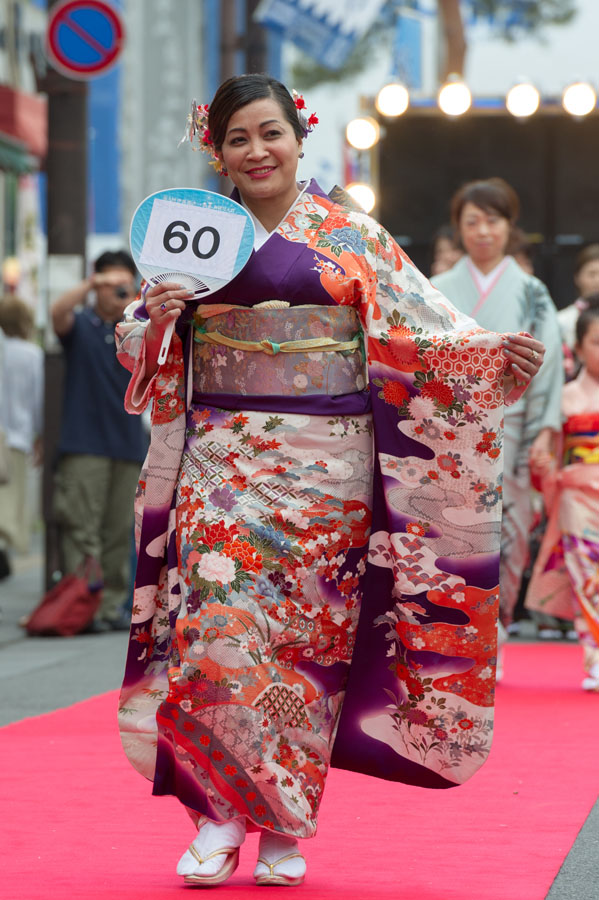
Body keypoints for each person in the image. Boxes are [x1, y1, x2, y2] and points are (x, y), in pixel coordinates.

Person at [115, 75, 545, 888]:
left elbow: (426, 336)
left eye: (269, 133)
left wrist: (488, 360)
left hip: (329, 473)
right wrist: (159, 321)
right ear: (216, 151)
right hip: (224, 460)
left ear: (299, 135)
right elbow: (136, 336)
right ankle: (215, 818)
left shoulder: (353, 237)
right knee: (218, 635)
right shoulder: (194, 235)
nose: (256, 151)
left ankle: (282, 827)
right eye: (237, 138)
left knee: (307, 653)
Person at [432, 178, 563, 629]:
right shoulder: (436, 287)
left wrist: (544, 434)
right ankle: (461, 624)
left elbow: (548, 376)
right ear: (458, 228)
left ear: (509, 227)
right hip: (454, 431)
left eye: (493, 221)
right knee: (454, 530)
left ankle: (497, 627)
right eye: (472, 222)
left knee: (513, 535)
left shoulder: (531, 292)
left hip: (516, 429)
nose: (483, 232)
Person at [51, 251, 147, 631]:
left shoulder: (135, 329)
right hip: (84, 444)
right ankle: (81, 606)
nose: (116, 292)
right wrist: (93, 284)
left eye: (123, 284)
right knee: (81, 529)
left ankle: (109, 608)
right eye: (109, 285)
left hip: (126, 443)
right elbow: (57, 312)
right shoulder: (82, 325)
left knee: (116, 532)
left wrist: (136, 305)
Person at [525, 306, 599, 690]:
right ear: (579, 346)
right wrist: (543, 466)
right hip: (576, 500)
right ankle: (595, 655)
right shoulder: (566, 398)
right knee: (587, 576)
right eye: (597, 341)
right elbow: (551, 458)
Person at [0, 296, 43, 577]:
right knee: (9, 508)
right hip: (16, 440)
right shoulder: (31, 354)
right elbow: (39, 401)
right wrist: (41, 436)